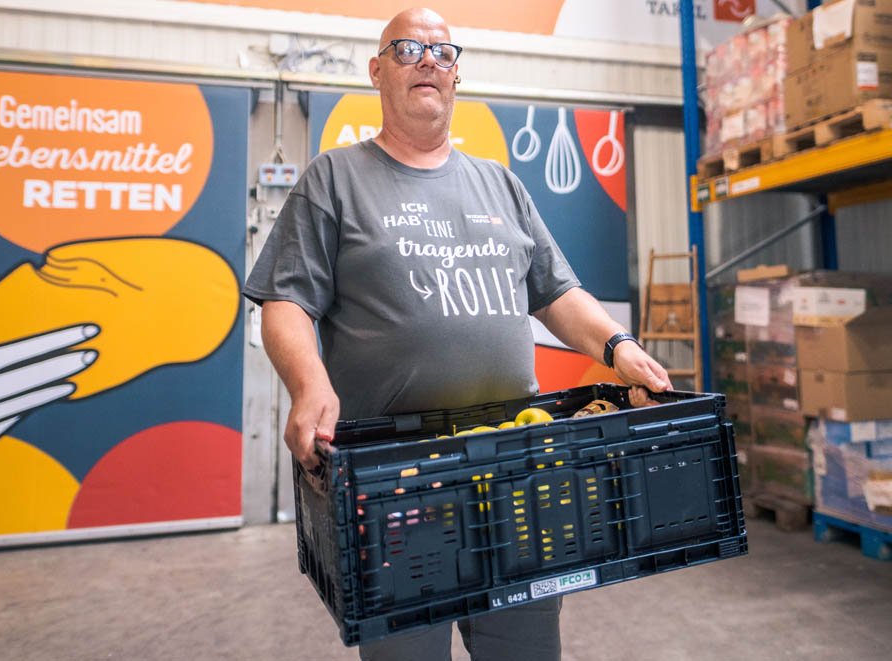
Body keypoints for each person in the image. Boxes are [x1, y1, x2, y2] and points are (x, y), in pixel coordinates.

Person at [243, 8, 671, 660]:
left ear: (457, 75)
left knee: (525, 650)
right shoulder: (334, 179)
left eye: (442, 52)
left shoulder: (499, 183)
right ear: (377, 70)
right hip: (395, 479)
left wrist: (620, 346)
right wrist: (310, 384)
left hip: (518, 470)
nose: (427, 61)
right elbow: (285, 301)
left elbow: (557, 293)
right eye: (408, 48)